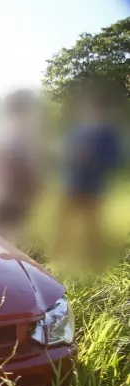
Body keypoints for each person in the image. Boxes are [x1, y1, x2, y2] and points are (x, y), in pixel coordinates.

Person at [53, 81, 123, 269]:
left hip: (94, 187)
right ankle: (60, 259)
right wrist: (70, 157)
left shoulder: (110, 134)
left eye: (97, 108)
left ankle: (95, 261)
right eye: (90, 108)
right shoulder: (79, 130)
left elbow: (117, 160)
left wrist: (94, 159)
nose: (93, 112)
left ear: (104, 110)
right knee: (64, 223)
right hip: (72, 184)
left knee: (92, 227)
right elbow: (66, 154)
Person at [0, 89, 44, 244]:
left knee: (2, 242)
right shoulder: (16, 135)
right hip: (7, 198)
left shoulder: (17, 134)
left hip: (9, 198)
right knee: (1, 242)